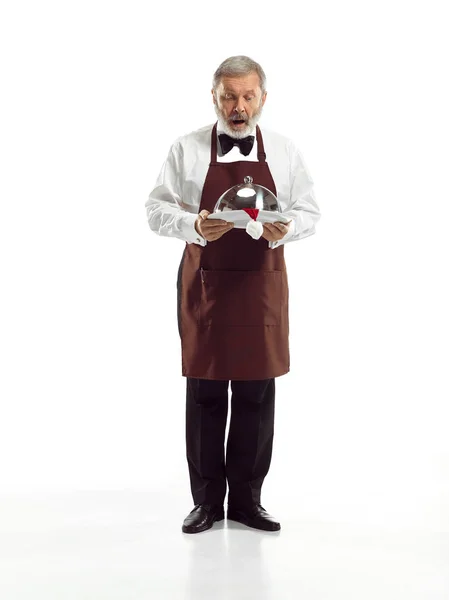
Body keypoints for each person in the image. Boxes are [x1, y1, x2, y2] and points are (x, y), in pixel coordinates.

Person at [145, 55, 321, 534]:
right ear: (214, 97)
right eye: (229, 97)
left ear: (263, 97)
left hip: (261, 286)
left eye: (247, 96)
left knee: (256, 394)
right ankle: (205, 503)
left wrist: (283, 231)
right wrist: (194, 224)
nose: (238, 107)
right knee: (204, 393)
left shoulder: (284, 150)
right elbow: (155, 210)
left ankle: (247, 501)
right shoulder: (186, 148)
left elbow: (310, 211)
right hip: (206, 285)